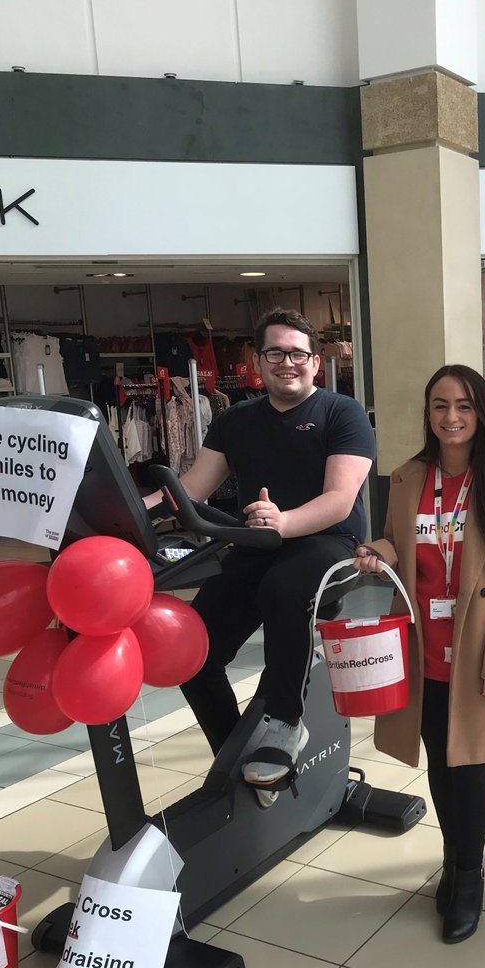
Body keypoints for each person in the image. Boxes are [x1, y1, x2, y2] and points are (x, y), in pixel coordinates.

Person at [353, 364, 485, 942]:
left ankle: (470, 875)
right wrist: (378, 548)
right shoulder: (409, 476)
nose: (452, 417)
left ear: (482, 412)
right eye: (440, 405)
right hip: (423, 646)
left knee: (469, 766)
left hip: (476, 647)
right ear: (427, 413)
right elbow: (400, 542)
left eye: (464, 405)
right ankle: (451, 854)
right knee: (440, 761)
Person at [145, 307, 375, 793]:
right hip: (258, 542)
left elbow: (339, 500)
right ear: (259, 359)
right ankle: (231, 751)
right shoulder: (235, 420)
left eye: (297, 353)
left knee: (282, 588)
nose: (286, 362)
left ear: (315, 362)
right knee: (193, 648)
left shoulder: (341, 413)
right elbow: (192, 488)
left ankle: (286, 722)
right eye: (276, 352)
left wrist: (284, 521)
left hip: (328, 543)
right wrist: (128, 509)